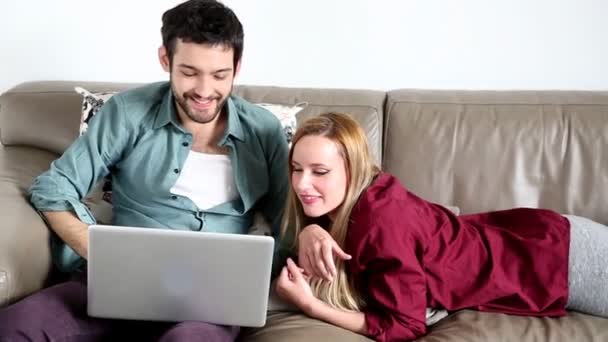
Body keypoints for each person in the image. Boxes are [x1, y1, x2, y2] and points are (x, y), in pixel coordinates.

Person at [0, 1, 289, 341]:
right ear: (166, 59)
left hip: (209, 304)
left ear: (237, 67)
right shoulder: (127, 112)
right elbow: (52, 188)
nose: (205, 90)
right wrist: (97, 249)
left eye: (220, 75)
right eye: (190, 72)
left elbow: (288, 220)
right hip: (115, 282)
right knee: (17, 324)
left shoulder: (264, 131)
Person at [274, 112, 608, 342]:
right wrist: (309, 230)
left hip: (563, 259)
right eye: (296, 168)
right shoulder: (344, 202)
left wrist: (311, 306)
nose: (302, 184)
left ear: (355, 169)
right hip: (539, 235)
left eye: (320, 171)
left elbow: (406, 325)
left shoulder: (380, 223)